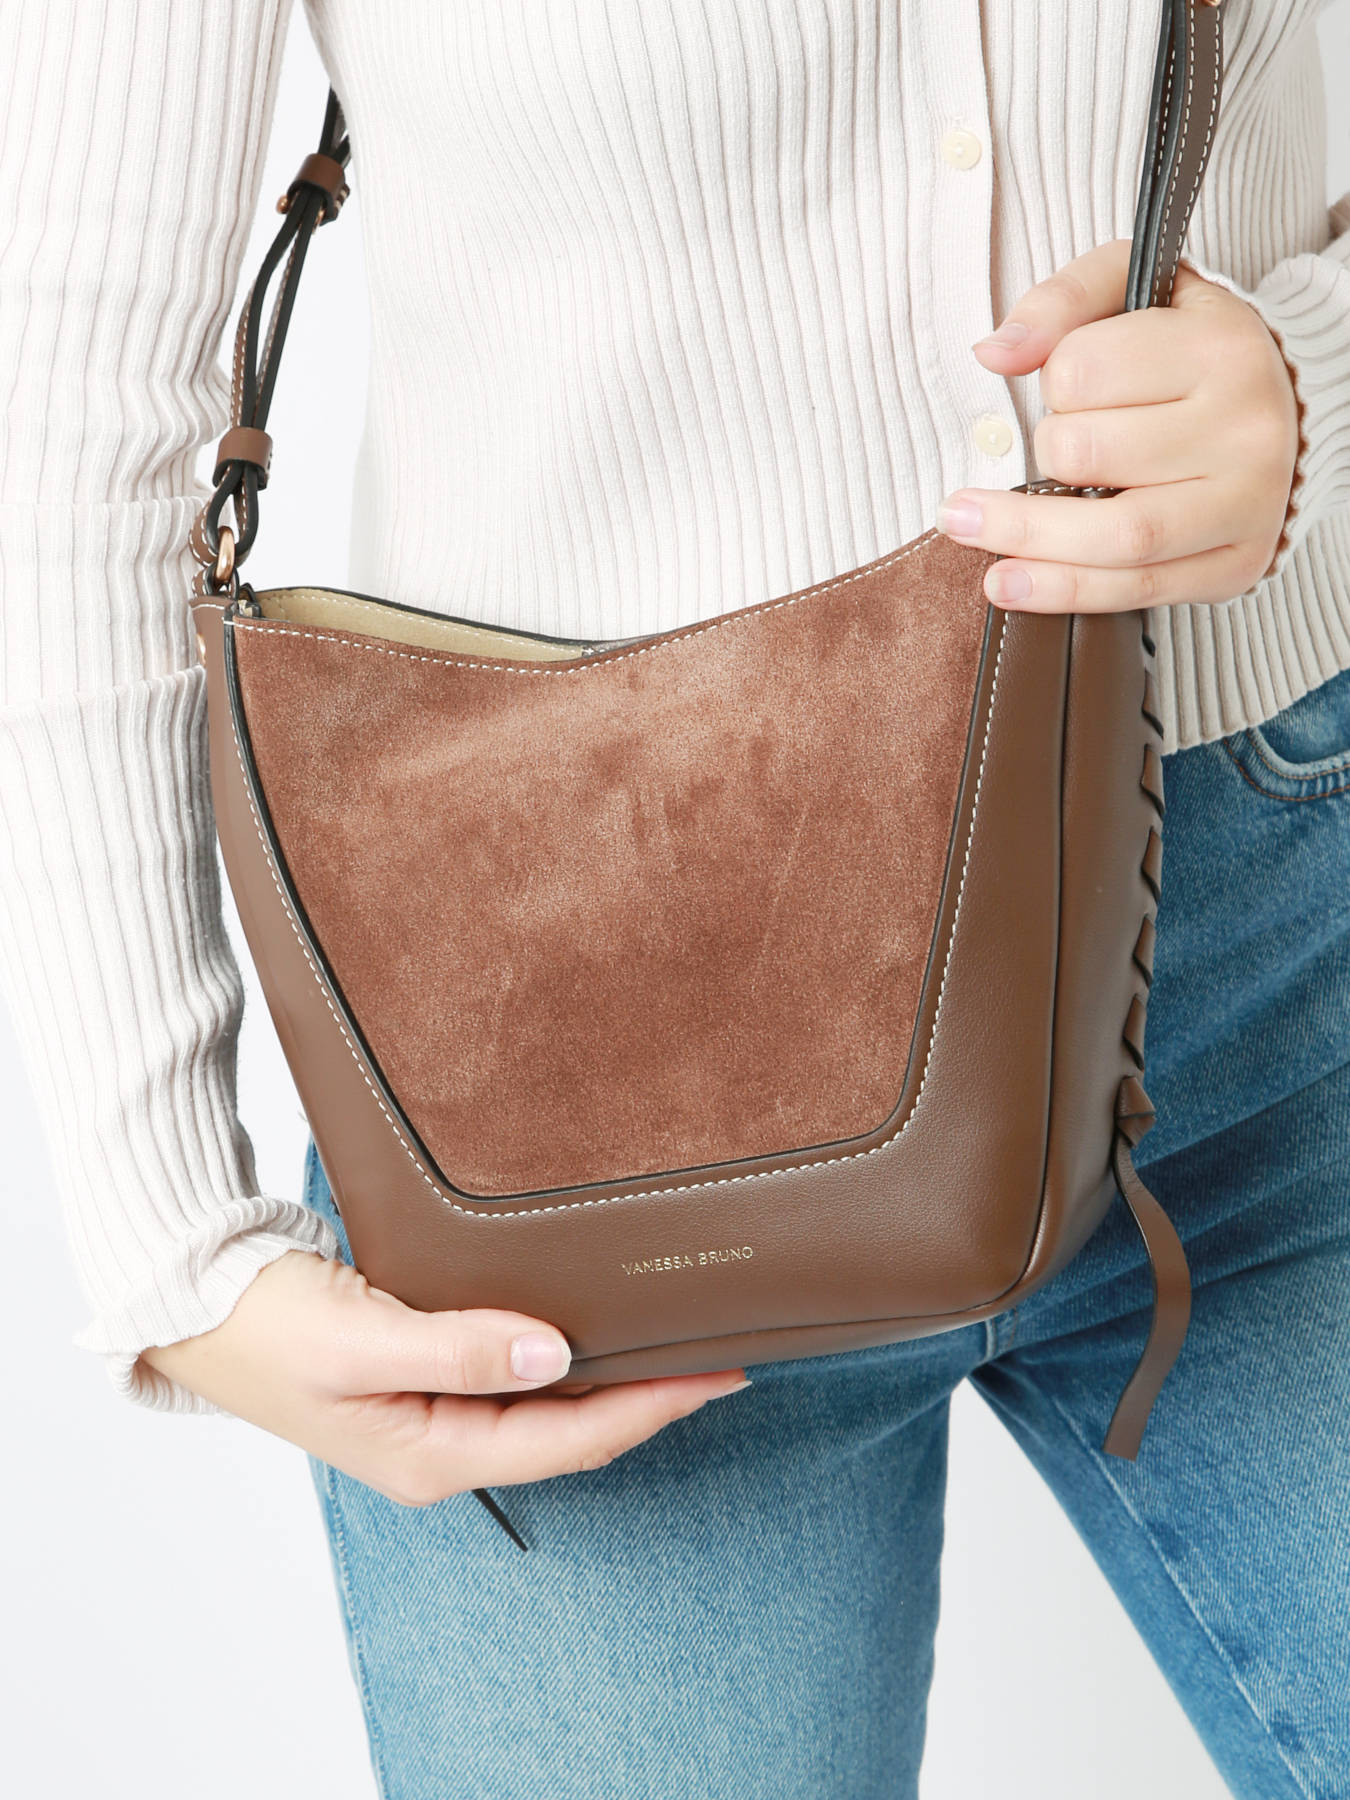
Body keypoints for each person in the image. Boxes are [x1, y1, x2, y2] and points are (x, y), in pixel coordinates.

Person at [3, 1, 1348, 1794]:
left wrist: (1318, 386)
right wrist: (171, 1240)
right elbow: (74, 402)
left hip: (1275, 981)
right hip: (567, 1113)